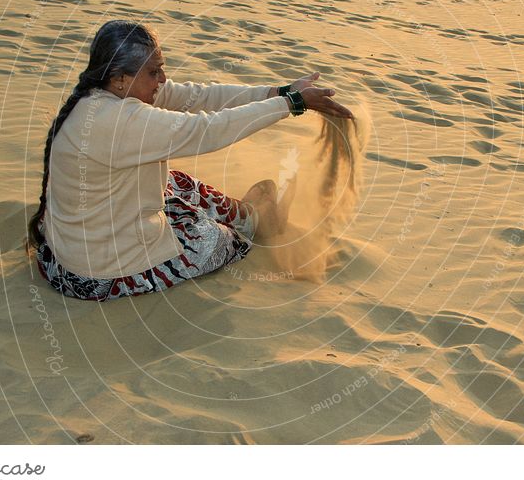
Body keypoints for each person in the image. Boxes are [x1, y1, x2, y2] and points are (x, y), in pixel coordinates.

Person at [27, 20, 354, 301]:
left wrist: (279, 91)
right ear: (120, 78)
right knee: (214, 239)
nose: (163, 79)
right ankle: (253, 224)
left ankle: (253, 216)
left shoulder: (102, 95)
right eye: (154, 72)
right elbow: (207, 130)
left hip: (65, 256)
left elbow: (199, 98)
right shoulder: (122, 120)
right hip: (98, 276)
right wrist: (292, 103)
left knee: (176, 183)